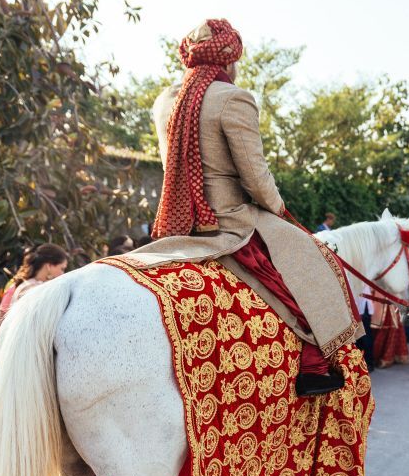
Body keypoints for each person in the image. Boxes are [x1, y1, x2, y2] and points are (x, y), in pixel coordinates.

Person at [128, 19, 363, 396]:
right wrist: (278, 207)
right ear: (230, 59)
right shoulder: (231, 97)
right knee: (309, 260)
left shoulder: (164, 103)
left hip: (179, 221)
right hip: (228, 220)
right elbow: (255, 177)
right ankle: (315, 363)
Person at [0, 244, 69, 332]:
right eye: (62, 268)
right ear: (49, 266)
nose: (63, 274)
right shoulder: (33, 289)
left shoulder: (21, 285)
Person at [371, 300, 409, 368]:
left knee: (393, 329)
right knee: (385, 328)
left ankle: (389, 356)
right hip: (383, 302)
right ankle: (381, 356)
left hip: (391, 304)